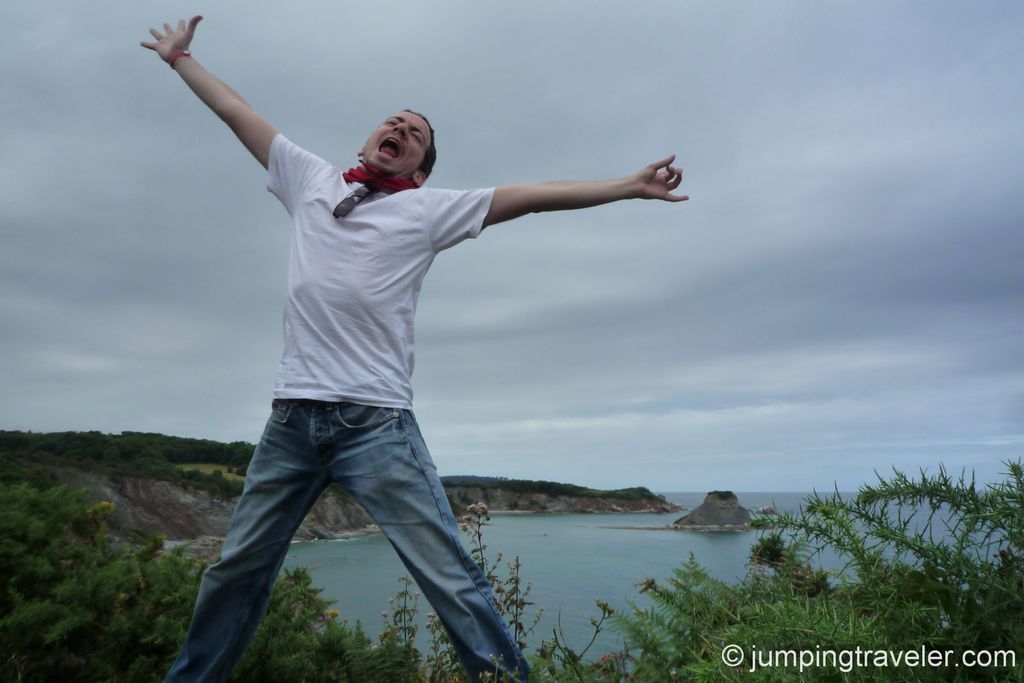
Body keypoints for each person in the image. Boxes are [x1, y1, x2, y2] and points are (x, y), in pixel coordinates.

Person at [142, 15, 688, 683]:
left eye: (416, 134)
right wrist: (181, 59)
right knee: (235, 571)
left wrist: (627, 186)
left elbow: (533, 198)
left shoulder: (426, 212)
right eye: (394, 122)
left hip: (375, 425)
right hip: (291, 421)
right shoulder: (310, 180)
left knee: (449, 578)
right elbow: (238, 112)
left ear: (421, 170)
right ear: (370, 138)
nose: (401, 129)